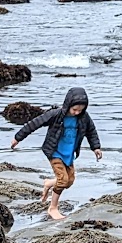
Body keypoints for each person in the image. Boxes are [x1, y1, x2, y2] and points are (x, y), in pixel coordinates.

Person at [10, 85, 102, 220]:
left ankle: (49, 183)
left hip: (69, 154)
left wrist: (96, 147)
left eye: (80, 110)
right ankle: (52, 208)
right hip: (54, 151)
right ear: (68, 105)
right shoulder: (56, 114)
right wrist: (18, 138)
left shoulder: (84, 117)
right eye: (75, 109)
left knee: (69, 181)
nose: (77, 112)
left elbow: (91, 131)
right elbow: (35, 123)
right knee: (63, 180)